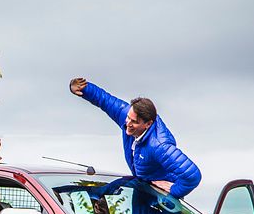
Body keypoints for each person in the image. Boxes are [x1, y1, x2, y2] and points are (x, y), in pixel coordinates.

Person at [69, 77, 201, 199]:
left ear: (148, 124)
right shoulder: (127, 116)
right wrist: (83, 89)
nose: (128, 124)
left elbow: (192, 176)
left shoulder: (159, 146)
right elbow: (104, 100)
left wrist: (174, 191)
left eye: (134, 122)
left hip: (163, 199)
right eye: (128, 118)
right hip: (143, 186)